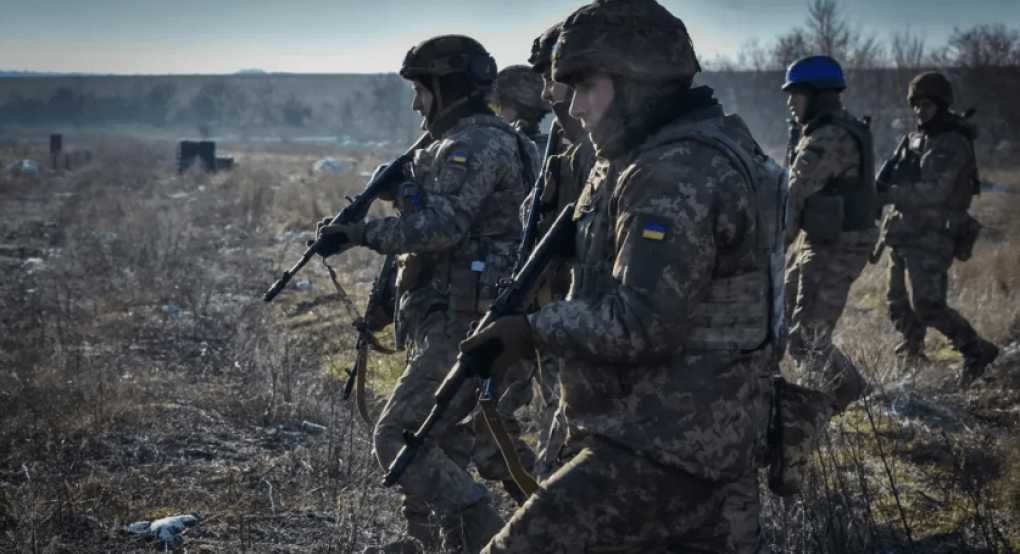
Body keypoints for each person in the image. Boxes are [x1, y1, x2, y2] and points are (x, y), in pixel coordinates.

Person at [460, 0, 784, 551]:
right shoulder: (704, 143)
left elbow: (646, 322)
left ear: (637, 81)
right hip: (706, 431)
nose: (575, 108)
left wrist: (532, 329)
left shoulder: (670, 169)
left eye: (586, 87)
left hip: (660, 441)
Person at [312, 34, 538, 554]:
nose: (416, 104)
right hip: (473, 316)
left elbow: (445, 227)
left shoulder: (472, 144)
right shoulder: (490, 140)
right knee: (449, 441)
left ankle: (485, 530)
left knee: (399, 438)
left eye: (421, 90)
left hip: (468, 321)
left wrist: (361, 233)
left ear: (448, 87)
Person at [877, 71, 998, 386]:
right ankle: (912, 358)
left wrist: (888, 195)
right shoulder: (918, 138)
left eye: (926, 105)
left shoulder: (950, 141)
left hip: (933, 234)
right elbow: (889, 175)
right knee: (899, 302)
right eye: (915, 105)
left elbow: (935, 191)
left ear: (941, 105)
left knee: (928, 304)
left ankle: (976, 350)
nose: (919, 111)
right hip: (905, 231)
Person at [781, 55, 875, 413]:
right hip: (822, 239)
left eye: (796, 93)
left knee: (808, 339)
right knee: (787, 317)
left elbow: (795, 195)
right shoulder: (839, 127)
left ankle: (849, 399)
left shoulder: (827, 138)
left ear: (817, 95)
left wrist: (772, 252)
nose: (790, 102)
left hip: (835, 244)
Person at [495, 65, 553, 152]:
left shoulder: (507, 152)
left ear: (513, 109)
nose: (496, 113)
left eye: (499, 106)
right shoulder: (552, 149)